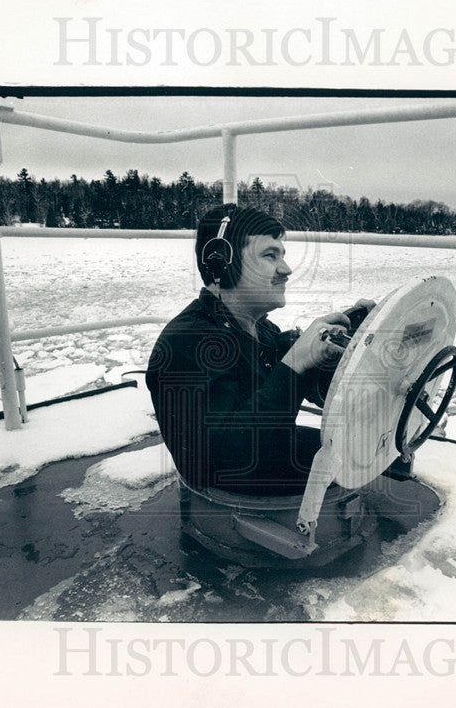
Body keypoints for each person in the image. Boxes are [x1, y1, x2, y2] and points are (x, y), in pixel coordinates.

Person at [146, 205, 371, 496]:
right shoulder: (187, 341)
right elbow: (216, 461)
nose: (286, 270)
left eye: (283, 255)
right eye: (269, 255)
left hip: (267, 452)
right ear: (220, 265)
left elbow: (317, 393)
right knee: (350, 462)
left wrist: (346, 349)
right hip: (226, 484)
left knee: (357, 451)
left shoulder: (263, 331)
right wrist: (295, 363)